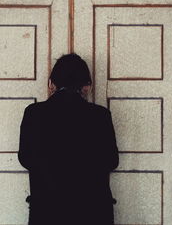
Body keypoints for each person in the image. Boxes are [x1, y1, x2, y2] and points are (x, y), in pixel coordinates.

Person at [18, 53, 119, 225]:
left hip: (47, 210)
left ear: (51, 84)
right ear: (86, 86)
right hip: (93, 211)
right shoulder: (100, 116)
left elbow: (26, 158)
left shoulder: (33, 113)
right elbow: (111, 161)